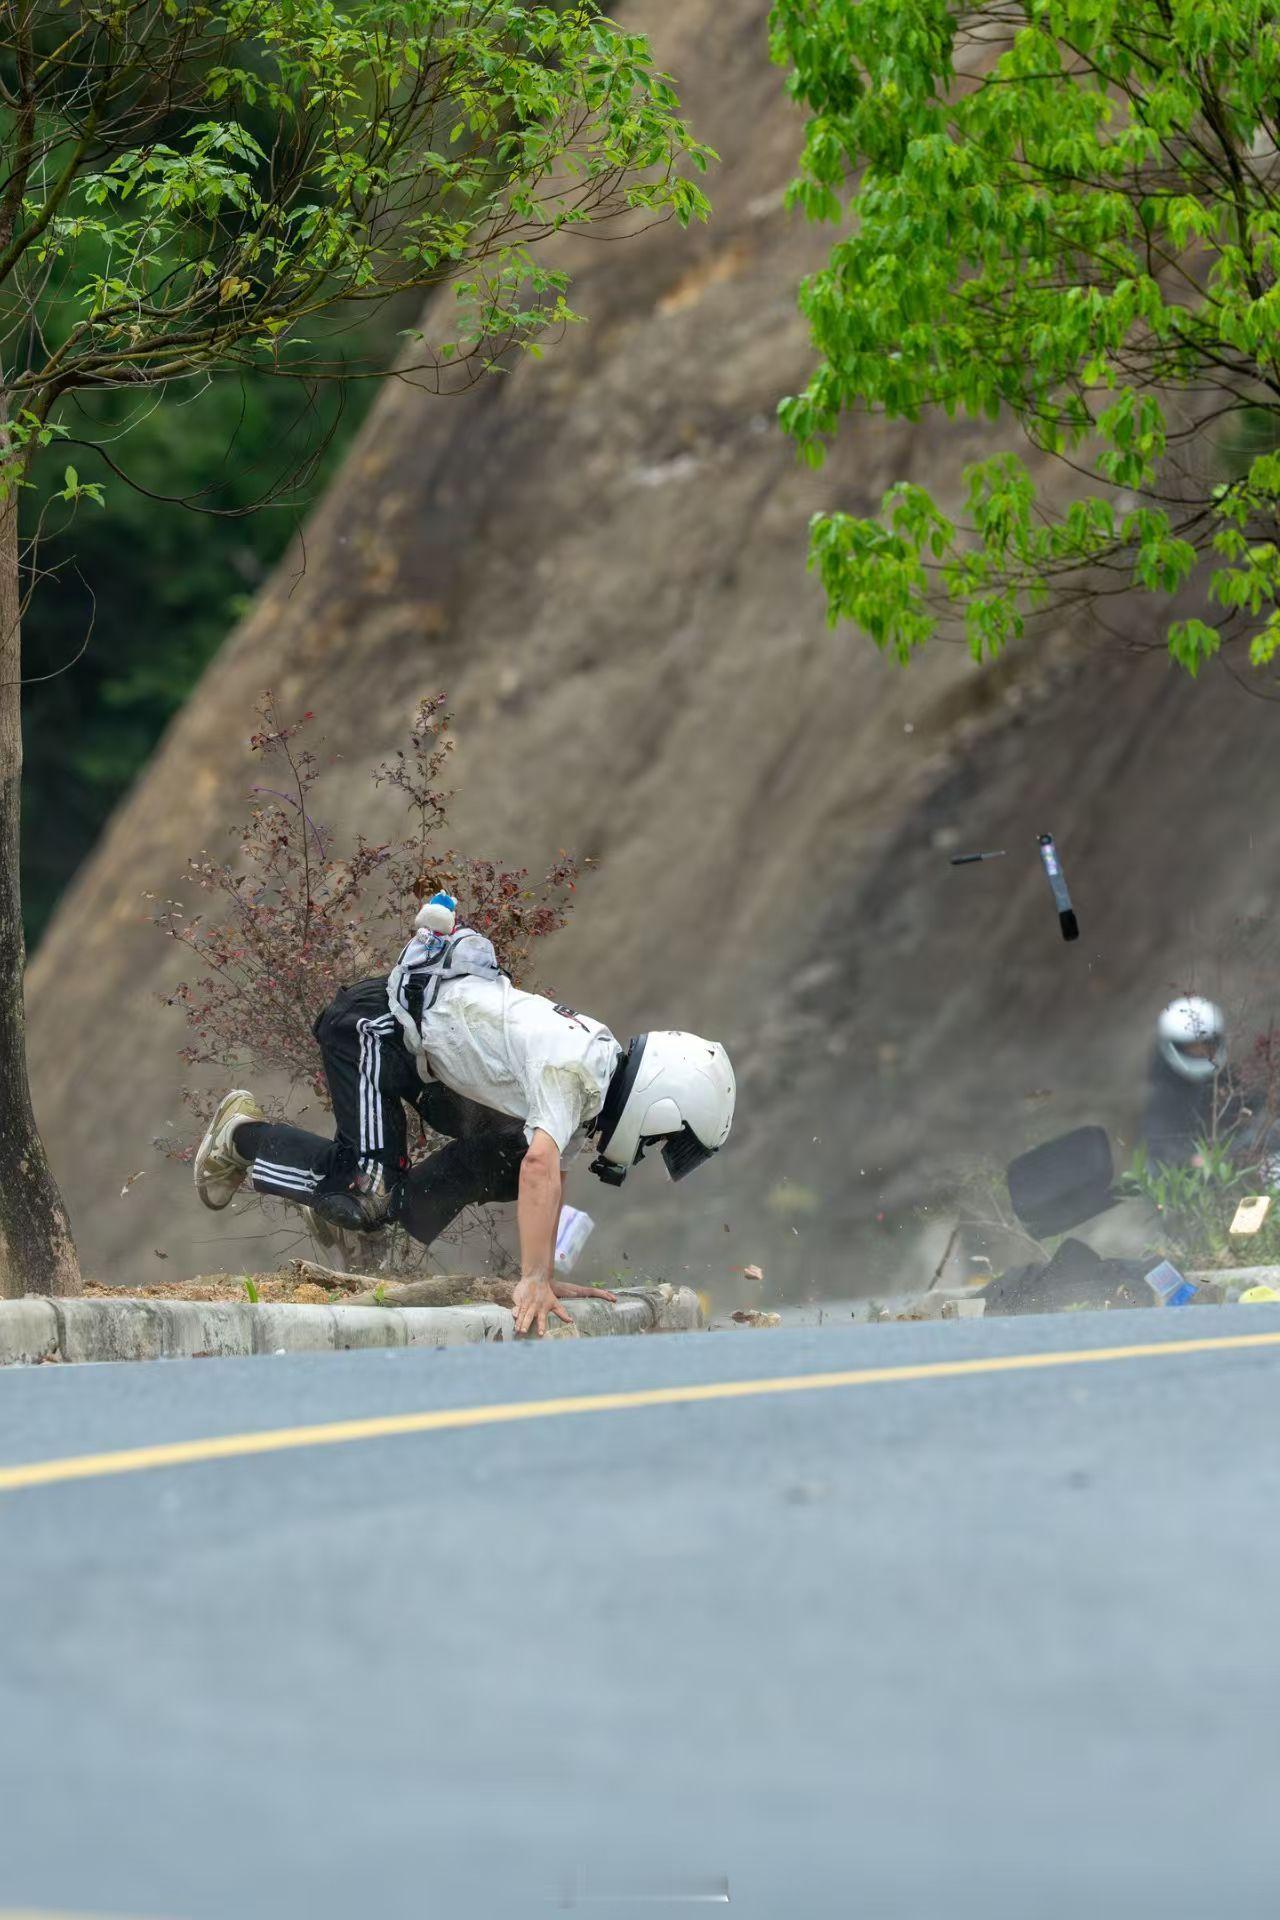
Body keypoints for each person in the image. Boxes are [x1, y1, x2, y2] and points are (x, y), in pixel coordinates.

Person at [193, 893, 736, 1336]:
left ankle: (361, 1222)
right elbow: (542, 1171)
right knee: (366, 1192)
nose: (645, 1152)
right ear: (658, 1105)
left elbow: (545, 1174)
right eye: (661, 1141)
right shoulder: (578, 1069)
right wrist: (532, 1280)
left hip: (422, 1059)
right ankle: (237, 1138)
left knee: (507, 1155)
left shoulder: (591, 1076)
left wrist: (545, 1276)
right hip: (372, 1031)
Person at [1141, 995, 1230, 1168]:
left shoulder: (1227, 1082)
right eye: (1192, 1047)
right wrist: (1190, 1159)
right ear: (1175, 1045)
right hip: (1178, 1176)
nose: (1201, 1052)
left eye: (1206, 1045)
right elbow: (1157, 1141)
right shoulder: (1161, 1091)